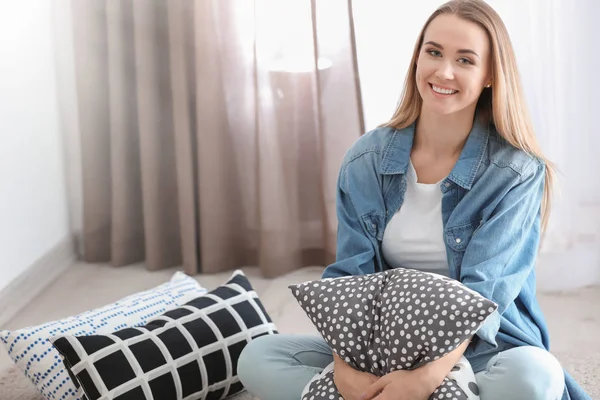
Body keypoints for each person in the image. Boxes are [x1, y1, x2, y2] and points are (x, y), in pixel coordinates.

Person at [237, 0, 590, 399]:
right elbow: (352, 279)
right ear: (417, 57)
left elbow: (485, 296)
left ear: (490, 74)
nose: (444, 71)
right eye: (434, 52)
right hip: (383, 349)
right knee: (257, 358)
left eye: (465, 60)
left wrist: (427, 379)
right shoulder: (366, 159)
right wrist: (344, 366)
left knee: (534, 377)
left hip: (479, 349)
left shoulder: (516, 172)